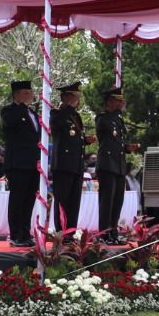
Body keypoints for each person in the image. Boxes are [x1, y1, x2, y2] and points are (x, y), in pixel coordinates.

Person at [0, 80, 42, 247]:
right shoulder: (9, 111)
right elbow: (11, 124)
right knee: (17, 199)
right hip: (18, 162)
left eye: (30, 92)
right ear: (16, 95)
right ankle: (15, 234)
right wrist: (20, 107)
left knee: (29, 199)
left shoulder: (31, 113)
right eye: (26, 93)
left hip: (33, 163)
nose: (30, 95)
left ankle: (25, 232)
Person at [49, 81, 88, 232]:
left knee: (74, 201)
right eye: (73, 97)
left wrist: (85, 140)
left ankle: (71, 231)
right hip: (63, 164)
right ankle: (61, 231)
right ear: (65, 97)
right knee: (62, 201)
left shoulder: (75, 116)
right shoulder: (57, 114)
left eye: (76, 97)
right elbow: (58, 129)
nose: (76, 100)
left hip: (76, 164)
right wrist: (66, 107)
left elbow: (75, 138)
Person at [93, 88, 128, 244]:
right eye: (118, 100)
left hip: (119, 165)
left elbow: (118, 143)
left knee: (117, 201)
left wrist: (127, 147)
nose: (121, 103)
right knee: (107, 201)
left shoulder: (118, 120)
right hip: (107, 165)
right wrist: (116, 112)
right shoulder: (103, 118)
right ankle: (104, 233)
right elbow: (104, 130)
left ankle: (113, 232)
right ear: (109, 102)